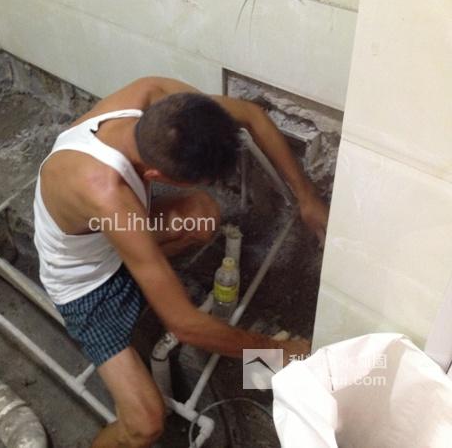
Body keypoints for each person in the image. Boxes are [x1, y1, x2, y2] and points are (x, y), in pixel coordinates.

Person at [33, 77, 328, 447]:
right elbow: (186, 326)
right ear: (155, 176)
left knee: (201, 215)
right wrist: (276, 352)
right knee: (145, 424)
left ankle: (149, 279)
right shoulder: (106, 195)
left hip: (112, 237)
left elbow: (252, 115)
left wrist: (307, 197)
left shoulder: (154, 98)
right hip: (86, 287)